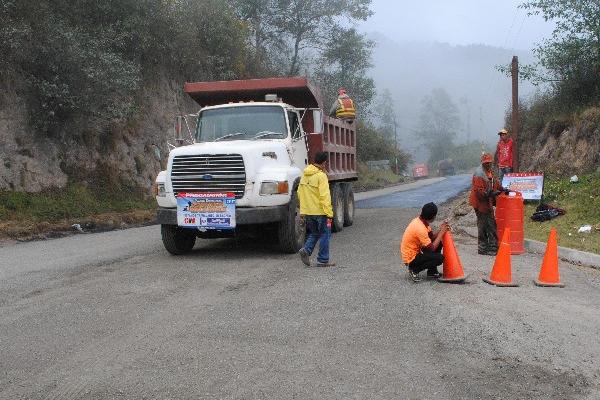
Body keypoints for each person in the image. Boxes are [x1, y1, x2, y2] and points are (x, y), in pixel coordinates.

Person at [297, 151, 335, 267]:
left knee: (314, 233)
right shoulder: (321, 176)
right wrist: (329, 213)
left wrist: (303, 212)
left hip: (308, 212)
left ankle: (306, 250)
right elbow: (325, 196)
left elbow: (299, 193)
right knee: (325, 234)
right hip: (321, 212)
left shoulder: (304, 175)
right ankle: (323, 260)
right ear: (324, 162)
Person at [400, 202, 450, 282]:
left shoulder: (422, 221)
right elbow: (432, 248)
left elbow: (431, 237)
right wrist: (441, 233)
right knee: (440, 258)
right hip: (410, 258)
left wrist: (441, 229)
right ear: (433, 217)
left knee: (439, 243)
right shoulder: (420, 228)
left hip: (416, 251)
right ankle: (414, 269)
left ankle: (432, 272)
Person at [469, 153, 504, 256]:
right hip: (480, 203)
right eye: (486, 163)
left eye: (489, 163)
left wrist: (502, 189)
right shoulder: (479, 174)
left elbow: (494, 183)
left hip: (486, 201)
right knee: (485, 225)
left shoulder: (489, 171)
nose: (488, 164)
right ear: (483, 163)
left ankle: (488, 247)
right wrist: (490, 193)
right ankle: (486, 248)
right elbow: (479, 192)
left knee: (489, 224)